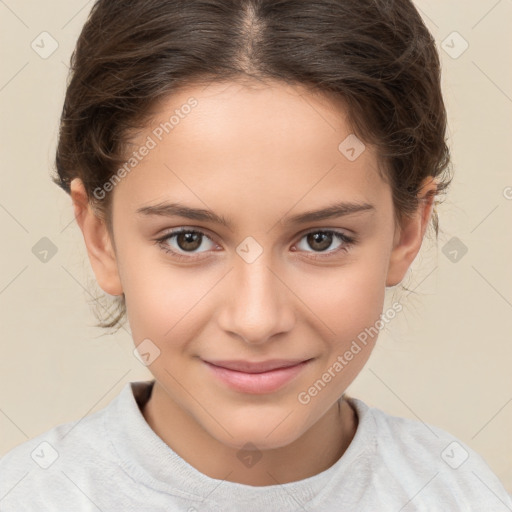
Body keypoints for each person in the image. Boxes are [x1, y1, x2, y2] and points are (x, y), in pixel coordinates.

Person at [1, 0, 510, 510]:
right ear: (101, 238)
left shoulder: (460, 493)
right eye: (188, 239)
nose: (256, 320)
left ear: (406, 231)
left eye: (320, 239)